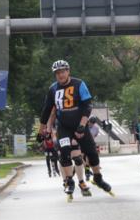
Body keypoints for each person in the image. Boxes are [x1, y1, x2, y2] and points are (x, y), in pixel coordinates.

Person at [39, 60, 113, 201]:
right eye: (57, 73)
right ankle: (69, 181)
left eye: (63, 72)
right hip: (64, 126)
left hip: (80, 124)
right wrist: (41, 130)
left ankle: (97, 178)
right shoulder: (53, 89)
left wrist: (82, 124)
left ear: (68, 71)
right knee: (65, 151)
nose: (60, 75)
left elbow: (87, 106)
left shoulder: (79, 84)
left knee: (91, 153)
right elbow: (47, 110)